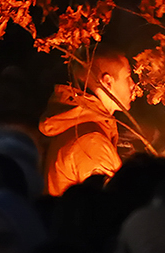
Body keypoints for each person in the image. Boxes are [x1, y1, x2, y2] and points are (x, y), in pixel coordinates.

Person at [39, 50, 136, 197]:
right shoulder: (90, 142)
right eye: (128, 77)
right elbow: (107, 207)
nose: (133, 84)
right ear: (107, 81)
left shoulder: (79, 124)